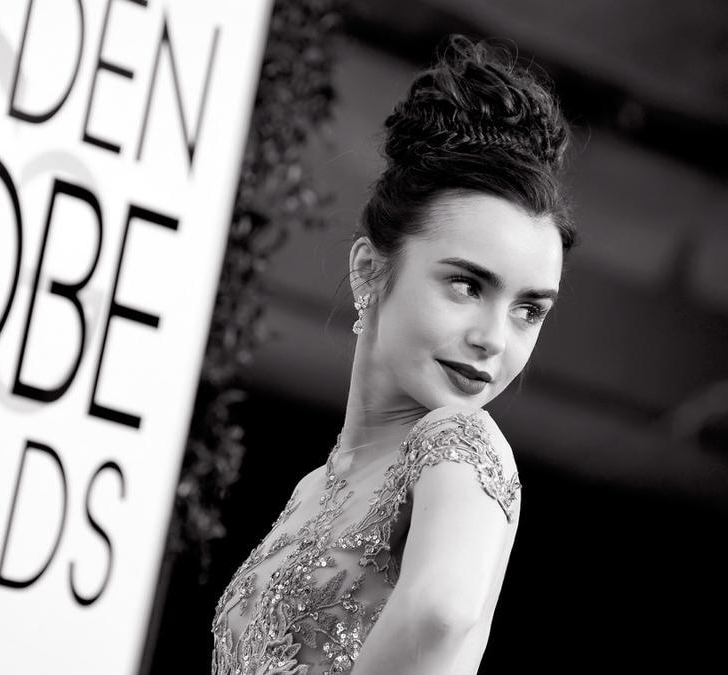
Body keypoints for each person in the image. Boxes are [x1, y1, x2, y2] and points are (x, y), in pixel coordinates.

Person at [210, 34, 576, 674]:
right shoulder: (314, 487)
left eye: (529, 310)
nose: (494, 337)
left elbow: (442, 610)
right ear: (368, 270)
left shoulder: (458, 441)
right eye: (467, 286)